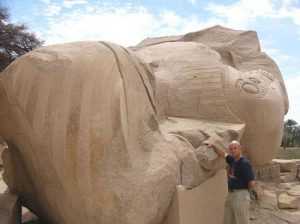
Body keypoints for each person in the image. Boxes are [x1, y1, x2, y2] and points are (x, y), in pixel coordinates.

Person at [202, 140, 256, 224]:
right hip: (231, 194)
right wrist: (213, 146)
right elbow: (223, 154)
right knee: (228, 220)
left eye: (235, 148)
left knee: (242, 221)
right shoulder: (233, 160)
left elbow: (252, 183)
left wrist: (244, 192)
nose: (233, 150)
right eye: (231, 149)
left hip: (241, 195)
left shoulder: (244, 163)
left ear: (240, 148)